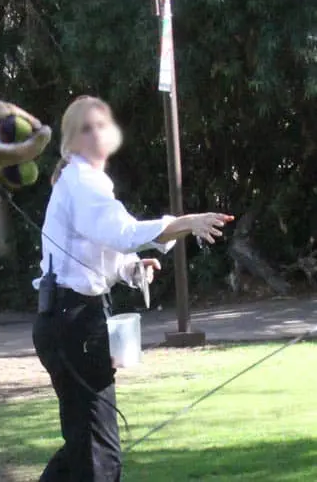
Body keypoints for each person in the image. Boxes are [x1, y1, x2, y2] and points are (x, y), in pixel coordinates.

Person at [32, 95, 234, 482]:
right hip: (72, 323)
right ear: (70, 141)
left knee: (83, 446)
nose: (96, 134)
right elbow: (122, 233)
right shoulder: (82, 182)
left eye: (101, 125)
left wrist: (129, 268)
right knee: (98, 455)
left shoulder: (86, 183)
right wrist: (187, 221)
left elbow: (97, 248)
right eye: (85, 128)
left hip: (72, 320)